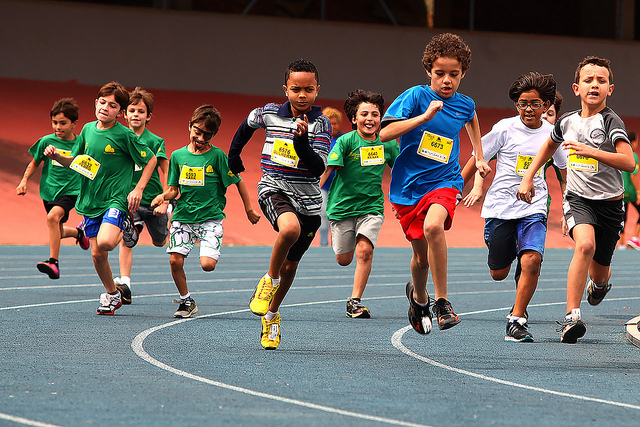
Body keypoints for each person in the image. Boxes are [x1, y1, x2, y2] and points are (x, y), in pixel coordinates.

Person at [517, 56, 635, 343]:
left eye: (601, 80)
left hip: (610, 205)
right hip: (578, 199)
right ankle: (572, 317)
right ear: (576, 88)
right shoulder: (567, 121)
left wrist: (591, 151)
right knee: (584, 245)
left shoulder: (611, 121)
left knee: (601, 271)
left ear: (611, 89)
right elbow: (548, 146)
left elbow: (629, 162)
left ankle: (599, 284)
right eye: (588, 80)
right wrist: (529, 175)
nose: (594, 84)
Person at [380, 33, 490, 334]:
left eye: (453, 75)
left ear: (463, 73)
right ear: (429, 70)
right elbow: (385, 134)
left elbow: (472, 119)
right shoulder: (415, 96)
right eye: (439, 73)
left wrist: (479, 156)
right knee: (419, 257)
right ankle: (419, 298)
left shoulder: (465, 103)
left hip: (445, 180)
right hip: (408, 186)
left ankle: (442, 302)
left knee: (433, 227)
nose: (446, 80)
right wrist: (423, 117)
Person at [228, 59, 331, 349]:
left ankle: (272, 316)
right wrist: (233, 156)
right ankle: (267, 279)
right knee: (289, 230)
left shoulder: (321, 124)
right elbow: (247, 124)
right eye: (296, 89)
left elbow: (317, 169)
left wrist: (301, 144)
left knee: (291, 266)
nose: (302, 95)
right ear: (285, 89)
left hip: (309, 201)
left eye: (308, 89)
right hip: (274, 186)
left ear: (317, 90)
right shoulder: (270, 113)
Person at [462, 72, 566, 342]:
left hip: (534, 207)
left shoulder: (553, 135)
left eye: (534, 104)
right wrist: (457, 187)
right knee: (499, 273)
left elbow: (565, 173)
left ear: (546, 106)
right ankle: (512, 260)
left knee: (532, 259)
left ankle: (517, 319)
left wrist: (569, 207)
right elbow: (478, 157)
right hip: (500, 208)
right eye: (522, 103)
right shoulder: (505, 128)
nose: (528, 109)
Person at [44, 81, 157, 315]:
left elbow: (151, 159)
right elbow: (77, 163)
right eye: (103, 102)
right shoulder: (86, 130)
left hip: (115, 198)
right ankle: (113, 294)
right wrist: (57, 156)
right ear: (96, 103)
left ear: (120, 112)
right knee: (97, 254)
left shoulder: (124, 135)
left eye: (113, 105)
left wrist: (138, 190)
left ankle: (126, 223)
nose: (106, 107)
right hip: (90, 200)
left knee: (106, 242)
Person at [151, 105, 260, 318]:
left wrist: (249, 209)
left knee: (208, 265)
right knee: (175, 260)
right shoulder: (177, 156)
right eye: (197, 131)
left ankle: (208, 253)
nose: (200, 138)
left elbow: (239, 181)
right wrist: (163, 197)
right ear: (189, 126)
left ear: (214, 134)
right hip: (183, 216)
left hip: (210, 218)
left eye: (206, 134)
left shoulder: (218, 156)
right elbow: (174, 189)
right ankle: (186, 300)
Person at [319, 90, 399, 318]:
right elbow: (329, 168)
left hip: (371, 207)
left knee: (364, 251)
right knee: (344, 259)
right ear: (354, 119)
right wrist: (314, 193)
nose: (370, 118)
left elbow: (401, 171)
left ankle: (355, 301)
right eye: (364, 114)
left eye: (375, 114)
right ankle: (347, 241)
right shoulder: (345, 141)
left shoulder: (388, 143)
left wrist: (405, 197)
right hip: (342, 207)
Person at [16, 98, 90, 279]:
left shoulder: (81, 143)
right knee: (56, 227)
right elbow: (34, 163)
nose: (58, 126)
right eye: (55, 122)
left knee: (52, 217)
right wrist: (24, 181)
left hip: (71, 190)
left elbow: (88, 167)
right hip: (49, 191)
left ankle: (53, 262)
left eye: (63, 123)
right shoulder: (46, 141)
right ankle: (79, 233)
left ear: (74, 124)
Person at [113, 87, 170, 304]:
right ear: (124, 114)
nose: (135, 114)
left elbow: (167, 171)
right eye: (131, 110)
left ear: (149, 116)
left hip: (154, 202)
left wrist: (166, 198)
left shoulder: (155, 141)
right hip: (130, 201)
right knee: (127, 239)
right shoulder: (118, 138)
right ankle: (125, 282)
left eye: (140, 111)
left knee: (159, 242)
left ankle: (166, 227)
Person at [319, 107, 344, 247]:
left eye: (335, 123)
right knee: (322, 213)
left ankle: (338, 244)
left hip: (339, 186)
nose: (332, 126)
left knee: (337, 215)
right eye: (329, 123)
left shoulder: (344, 139)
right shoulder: (319, 139)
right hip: (322, 184)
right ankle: (323, 243)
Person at [620, 131, 640, 249]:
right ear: (632, 142)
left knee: (623, 217)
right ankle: (635, 238)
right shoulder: (633, 155)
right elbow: (633, 175)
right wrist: (638, 192)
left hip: (621, 190)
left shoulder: (620, 154)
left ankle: (621, 244)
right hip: (630, 190)